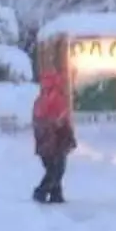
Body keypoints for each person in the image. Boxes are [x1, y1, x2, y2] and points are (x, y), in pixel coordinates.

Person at [32, 72, 76, 204]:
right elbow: (61, 121)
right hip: (55, 140)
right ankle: (42, 192)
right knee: (57, 169)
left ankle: (55, 193)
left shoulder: (40, 99)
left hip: (45, 141)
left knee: (52, 168)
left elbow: (39, 121)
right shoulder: (55, 98)